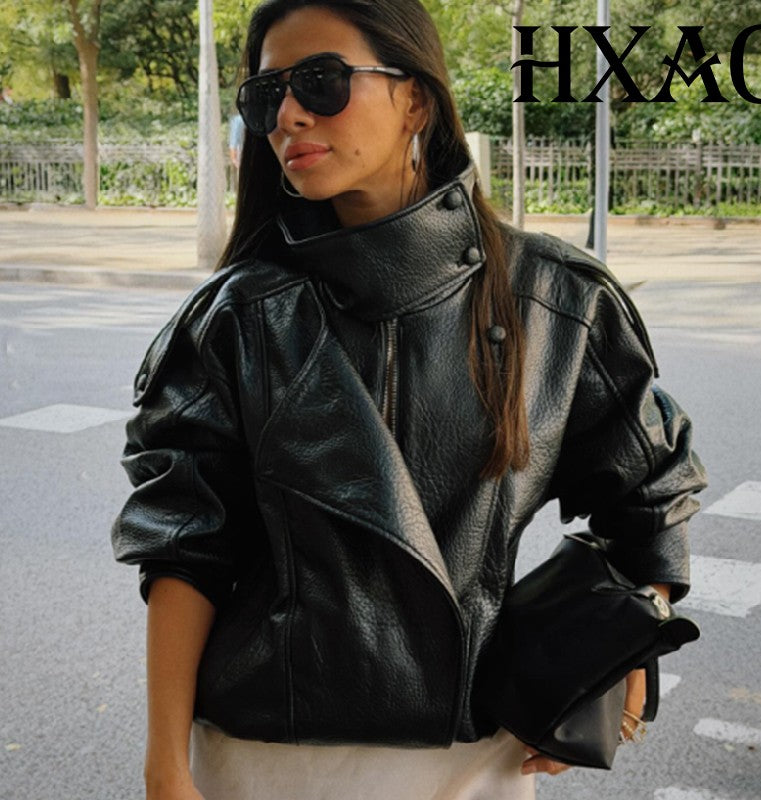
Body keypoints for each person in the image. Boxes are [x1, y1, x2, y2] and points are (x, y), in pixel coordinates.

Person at [111, 1, 708, 798]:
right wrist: (164, 766)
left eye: (321, 81)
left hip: (472, 760)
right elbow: (185, 548)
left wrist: (619, 648)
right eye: (266, 95)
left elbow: (650, 492)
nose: (287, 116)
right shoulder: (236, 319)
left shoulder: (557, 302)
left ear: (416, 99)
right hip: (261, 755)